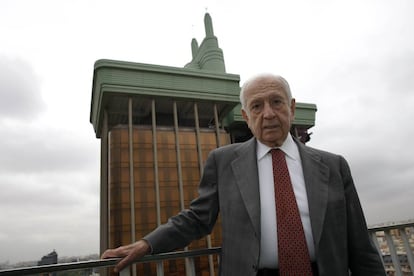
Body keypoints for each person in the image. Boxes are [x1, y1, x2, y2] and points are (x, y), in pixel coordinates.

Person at [102, 73, 386, 275]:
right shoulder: (223, 162)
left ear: (292, 108)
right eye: (257, 106)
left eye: (276, 102)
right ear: (246, 117)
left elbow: (360, 245)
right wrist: (148, 243)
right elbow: (197, 218)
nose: (269, 114)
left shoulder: (334, 166)